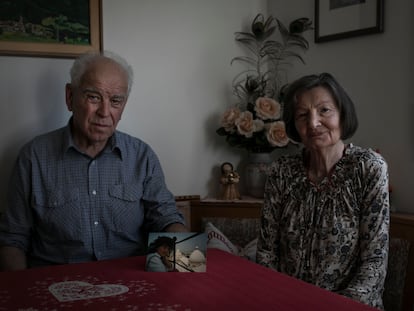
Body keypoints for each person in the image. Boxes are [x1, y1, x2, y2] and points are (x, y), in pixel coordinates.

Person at [0, 51, 188, 271]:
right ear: (70, 97)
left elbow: (166, 219)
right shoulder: (33, 157)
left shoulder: (142, 156)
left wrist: (187, 267)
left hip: (131, 281)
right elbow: (13, 239)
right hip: (57, 284)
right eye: (93, 97)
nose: (104, 112)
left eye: (115, 100)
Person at [256, 73, 389, 310]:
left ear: (342, 113)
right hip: (286, 302)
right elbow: (267, 252)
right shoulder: (281, 171)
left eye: (324, 110)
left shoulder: (368, 167)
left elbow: (374, 262)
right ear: (294, 125)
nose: (313, 123)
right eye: (302, 115)